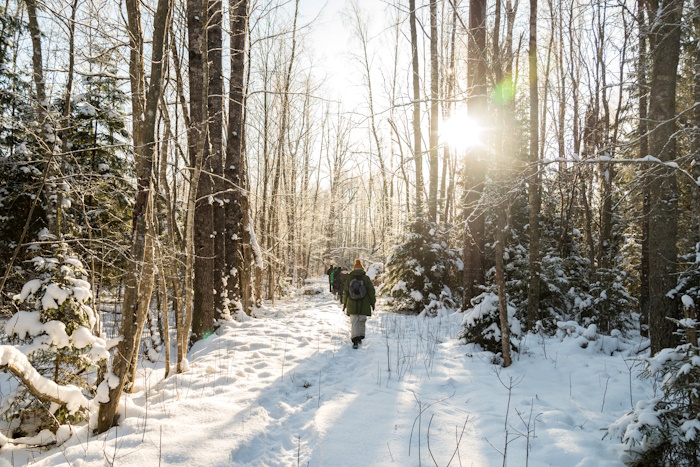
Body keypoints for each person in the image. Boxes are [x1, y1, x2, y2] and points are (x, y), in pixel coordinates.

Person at [343, 259, 376, 349]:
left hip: (352, 303)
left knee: (354, 322)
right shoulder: (366, 278)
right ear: (362, 268)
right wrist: (373, 303)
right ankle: (361, 336)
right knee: (362, 320)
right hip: (364, 304)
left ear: (354, 269)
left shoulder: (350, 278)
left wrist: (344, 303)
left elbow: (345, 291)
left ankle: (355, 340)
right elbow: (371, 291)